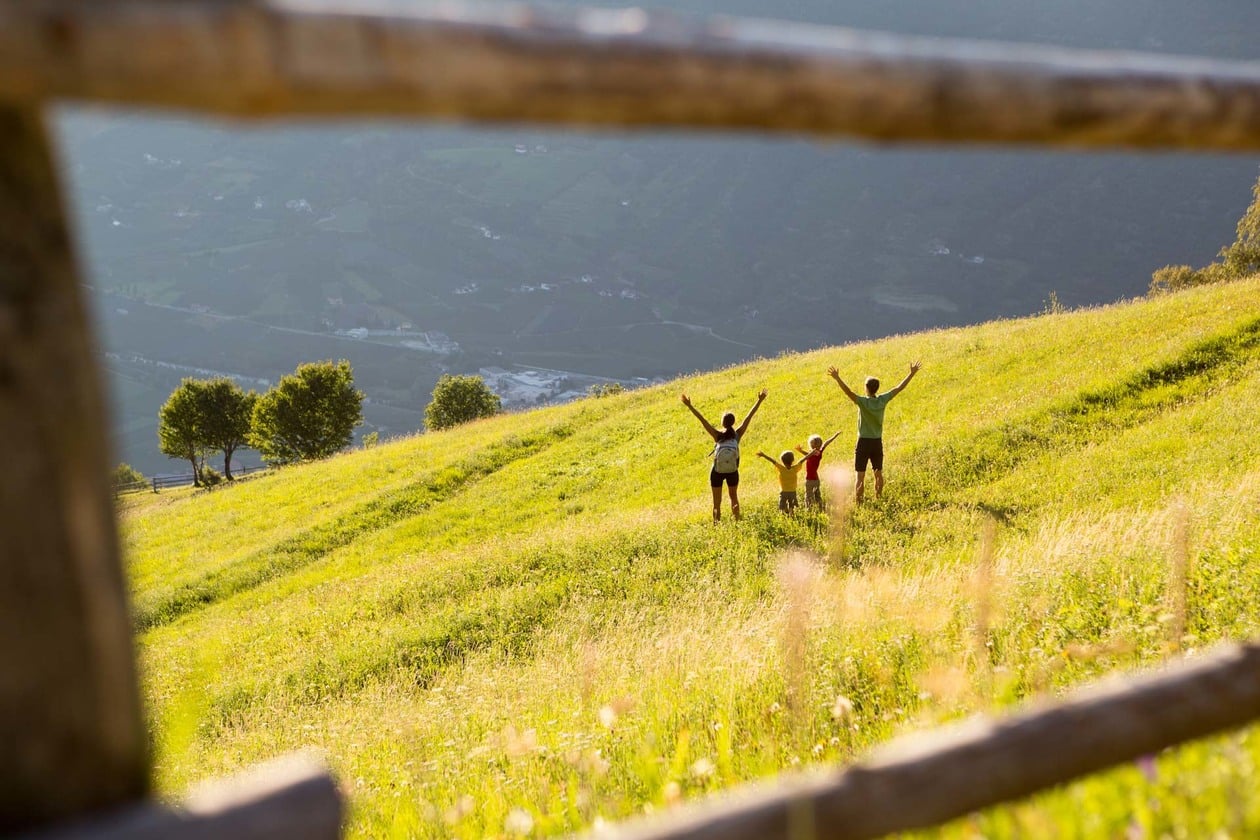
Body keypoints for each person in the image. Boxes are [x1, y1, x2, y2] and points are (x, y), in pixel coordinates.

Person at [827, 362, 921, 503]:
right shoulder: (883, 400)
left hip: (863, 442)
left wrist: (837, 378)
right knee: (878, 473)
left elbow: (848, 392)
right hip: (877, 441)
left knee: (860, 476)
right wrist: (912, 373)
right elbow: (899, 388)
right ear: (877, 388)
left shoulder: (863, 402)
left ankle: (859, 502)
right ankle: (879, 498)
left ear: (866, 388)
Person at [680, 389, 767, 522]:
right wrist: (759, 400)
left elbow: (702, 420)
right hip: (732, 471)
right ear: (733, 422)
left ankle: (716, 524)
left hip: (717, 471)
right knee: (733, 497)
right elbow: (748, 418)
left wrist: (689, 405)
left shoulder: (717, 435)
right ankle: (737, 521)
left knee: (717, 502)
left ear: (723, 423)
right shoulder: (737, 435)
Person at [795, 431, 842, 510]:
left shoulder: (812, 454)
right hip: (816, 479)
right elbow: (826, 443)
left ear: (811, 445)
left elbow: (808, 456)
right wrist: (834, 436)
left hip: (809, 480)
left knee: (808, 496)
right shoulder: (819, 453)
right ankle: (821, 508)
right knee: (817, 495)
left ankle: (809, 510)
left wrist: (800, 451)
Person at [756, 450, 806, 514]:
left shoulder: (781, 468)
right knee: (792, 505)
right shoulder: (795, 468)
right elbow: (802, 460)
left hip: (783, 491)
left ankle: (784, 514)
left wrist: (763, 455)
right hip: (793, 491)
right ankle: (791, 515)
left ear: (782, 461)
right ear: (793, 460)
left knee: (783, 505)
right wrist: (811, 453)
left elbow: (772, 461)